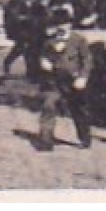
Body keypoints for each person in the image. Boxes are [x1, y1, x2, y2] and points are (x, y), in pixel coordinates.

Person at [36, 8, 93, 151]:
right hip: (54, 82)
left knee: (78, 110)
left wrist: (83, 77)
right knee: (48, 105)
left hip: (74, 82)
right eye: (58, 24)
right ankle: (46, 141)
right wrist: (44, 62)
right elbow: (43, 56)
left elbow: (87, 60)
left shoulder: (79, 40)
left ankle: (84, 137)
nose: (61, 27)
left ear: (70, 25)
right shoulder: (50, 41)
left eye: (64, 24)